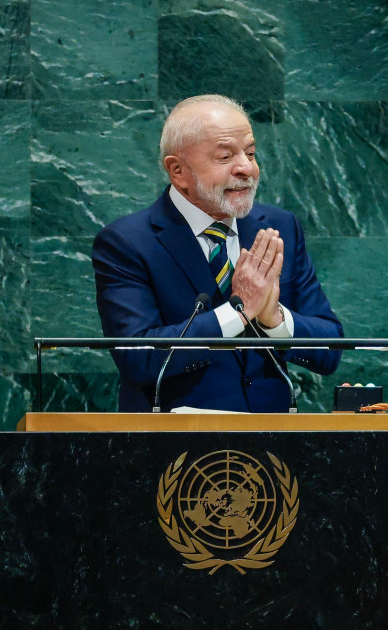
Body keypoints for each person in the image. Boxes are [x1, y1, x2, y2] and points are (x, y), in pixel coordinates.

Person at [92, 94, 344, 412]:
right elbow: (138, 359)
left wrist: (274, 319)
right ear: (178, 171)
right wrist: (239, 311)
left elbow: (330, 350)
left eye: (250, 153)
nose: (246, 168)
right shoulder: (127, 242)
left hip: (272, 437)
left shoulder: (280, 228)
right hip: (176, 437)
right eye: (225, 157)